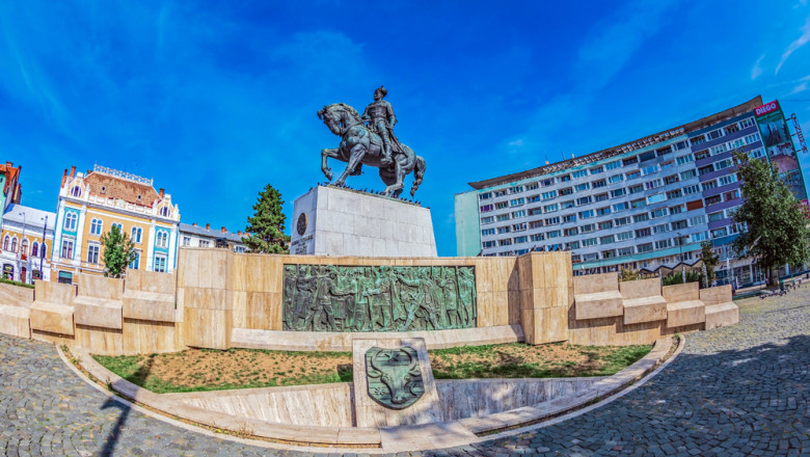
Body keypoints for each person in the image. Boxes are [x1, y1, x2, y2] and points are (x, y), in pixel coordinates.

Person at [362, 86, 398, 166]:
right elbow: (364, 116)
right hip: (370, 124)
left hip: (381, 122)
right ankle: (358, 167)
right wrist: (365, 117)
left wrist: (391, 125)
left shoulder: (386, 104)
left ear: (381, 95)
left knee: (385, 137)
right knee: (360, 139)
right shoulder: (369, 106)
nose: (375, 95)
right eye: (374, 93)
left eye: (376, 93)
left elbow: (392, 116)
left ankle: (388, 156)